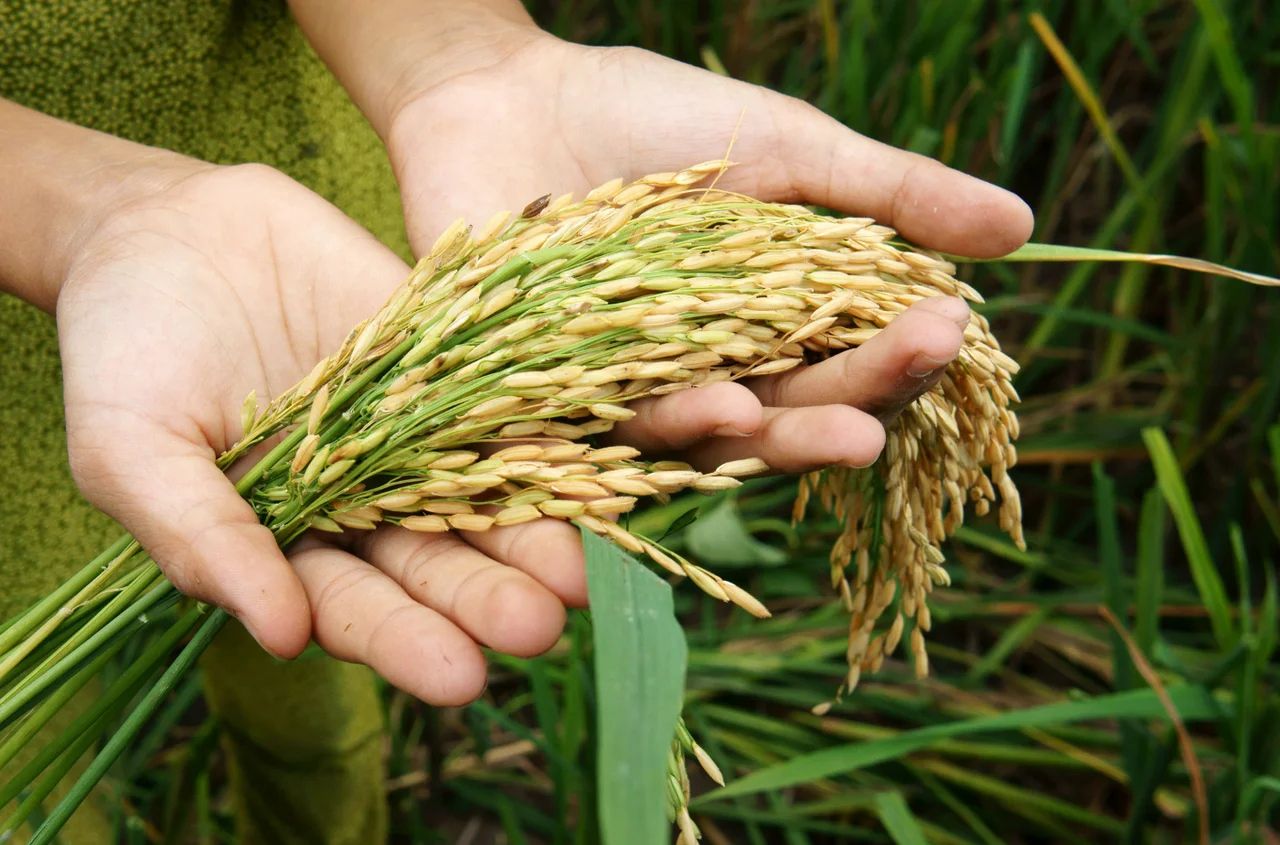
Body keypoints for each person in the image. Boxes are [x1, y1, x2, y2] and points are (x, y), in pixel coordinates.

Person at [0, 1, 1034, 841]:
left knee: (310, 674)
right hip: (166, 321)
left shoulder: (382, 303)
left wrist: (454, 51)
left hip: (336, 299)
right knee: (32, 776)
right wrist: (85, 212)